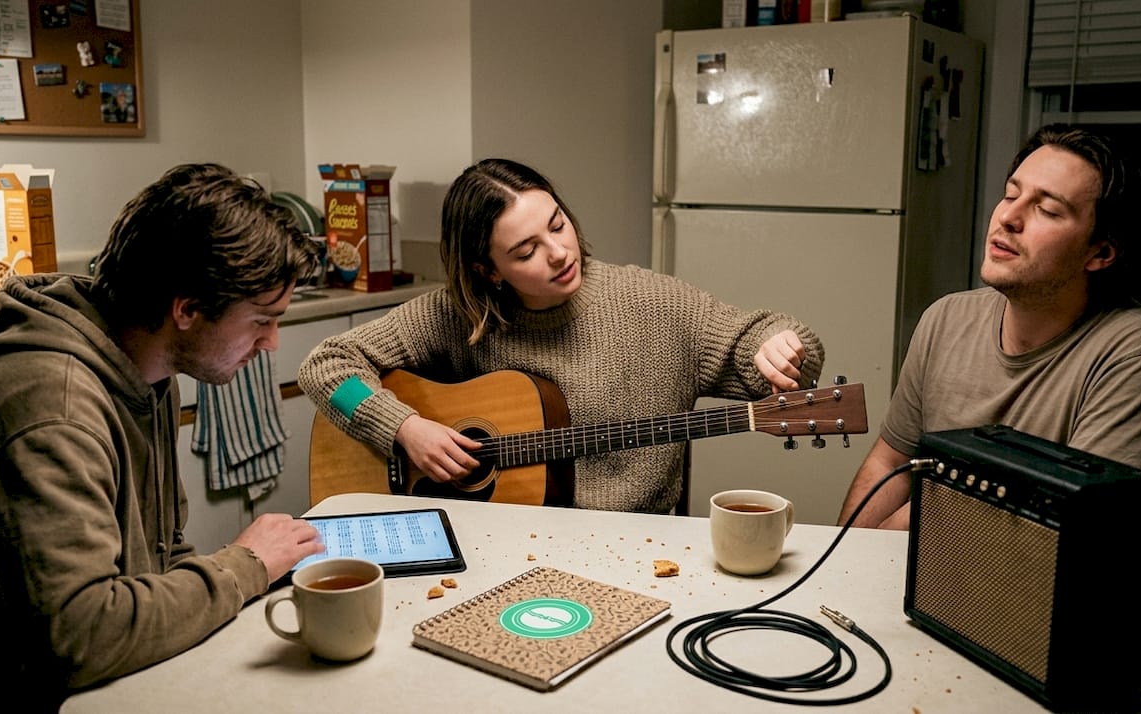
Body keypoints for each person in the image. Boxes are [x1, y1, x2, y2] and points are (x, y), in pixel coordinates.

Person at [0, 163, 326, 709]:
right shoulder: (51, 409)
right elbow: (81, 636)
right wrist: (245, 566)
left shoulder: (143, 375)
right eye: (261, 321)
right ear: (186, 309)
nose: (272, 342)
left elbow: (163, 551)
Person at [298, 158, 825, 514]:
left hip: (635, 546)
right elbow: (326, 365)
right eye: (526, 251)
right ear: (488, 271)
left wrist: (779, 344)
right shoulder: (456, 315)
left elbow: (756, 350)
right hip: (500, 544)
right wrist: (404, 429)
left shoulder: (651, 303)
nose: (558, 252)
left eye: (557, 224)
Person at [836, 124, 1141, 530]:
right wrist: (845, 563)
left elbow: (1076, 529)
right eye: (1010, 194)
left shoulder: (1140, 355)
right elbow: (892, 460)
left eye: (1048, 210)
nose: (1008, 217)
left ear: (1101, 252)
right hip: (924, 572)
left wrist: (901, 527)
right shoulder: (946, 318)